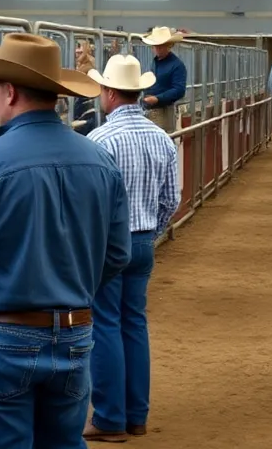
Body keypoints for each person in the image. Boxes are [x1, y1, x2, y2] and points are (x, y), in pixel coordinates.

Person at [0, 33, 132, 449]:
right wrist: (73, 288)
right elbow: (116, 255)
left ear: (11, 92)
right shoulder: (99, 160)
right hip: (75, 332)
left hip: (2, 335)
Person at [83, 54, 180, 443]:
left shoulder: (98, 140)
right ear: (138, 92)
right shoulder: (161, 138)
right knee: (134, 323)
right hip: (142, 240)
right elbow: (172, 198)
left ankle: (109, 418)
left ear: (108, 92)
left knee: (104, 324)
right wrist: (151, 232)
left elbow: (89, 202)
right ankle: (136, 414)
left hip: (108, 243)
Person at [141, 26, 187, 133]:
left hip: (164, 111)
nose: (157, 48)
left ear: (168, 45)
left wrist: (157, 98)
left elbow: (179, 90)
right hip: (149, 109)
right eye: (155, 46)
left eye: (160, 46)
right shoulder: (155, 62)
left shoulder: (177, 65)